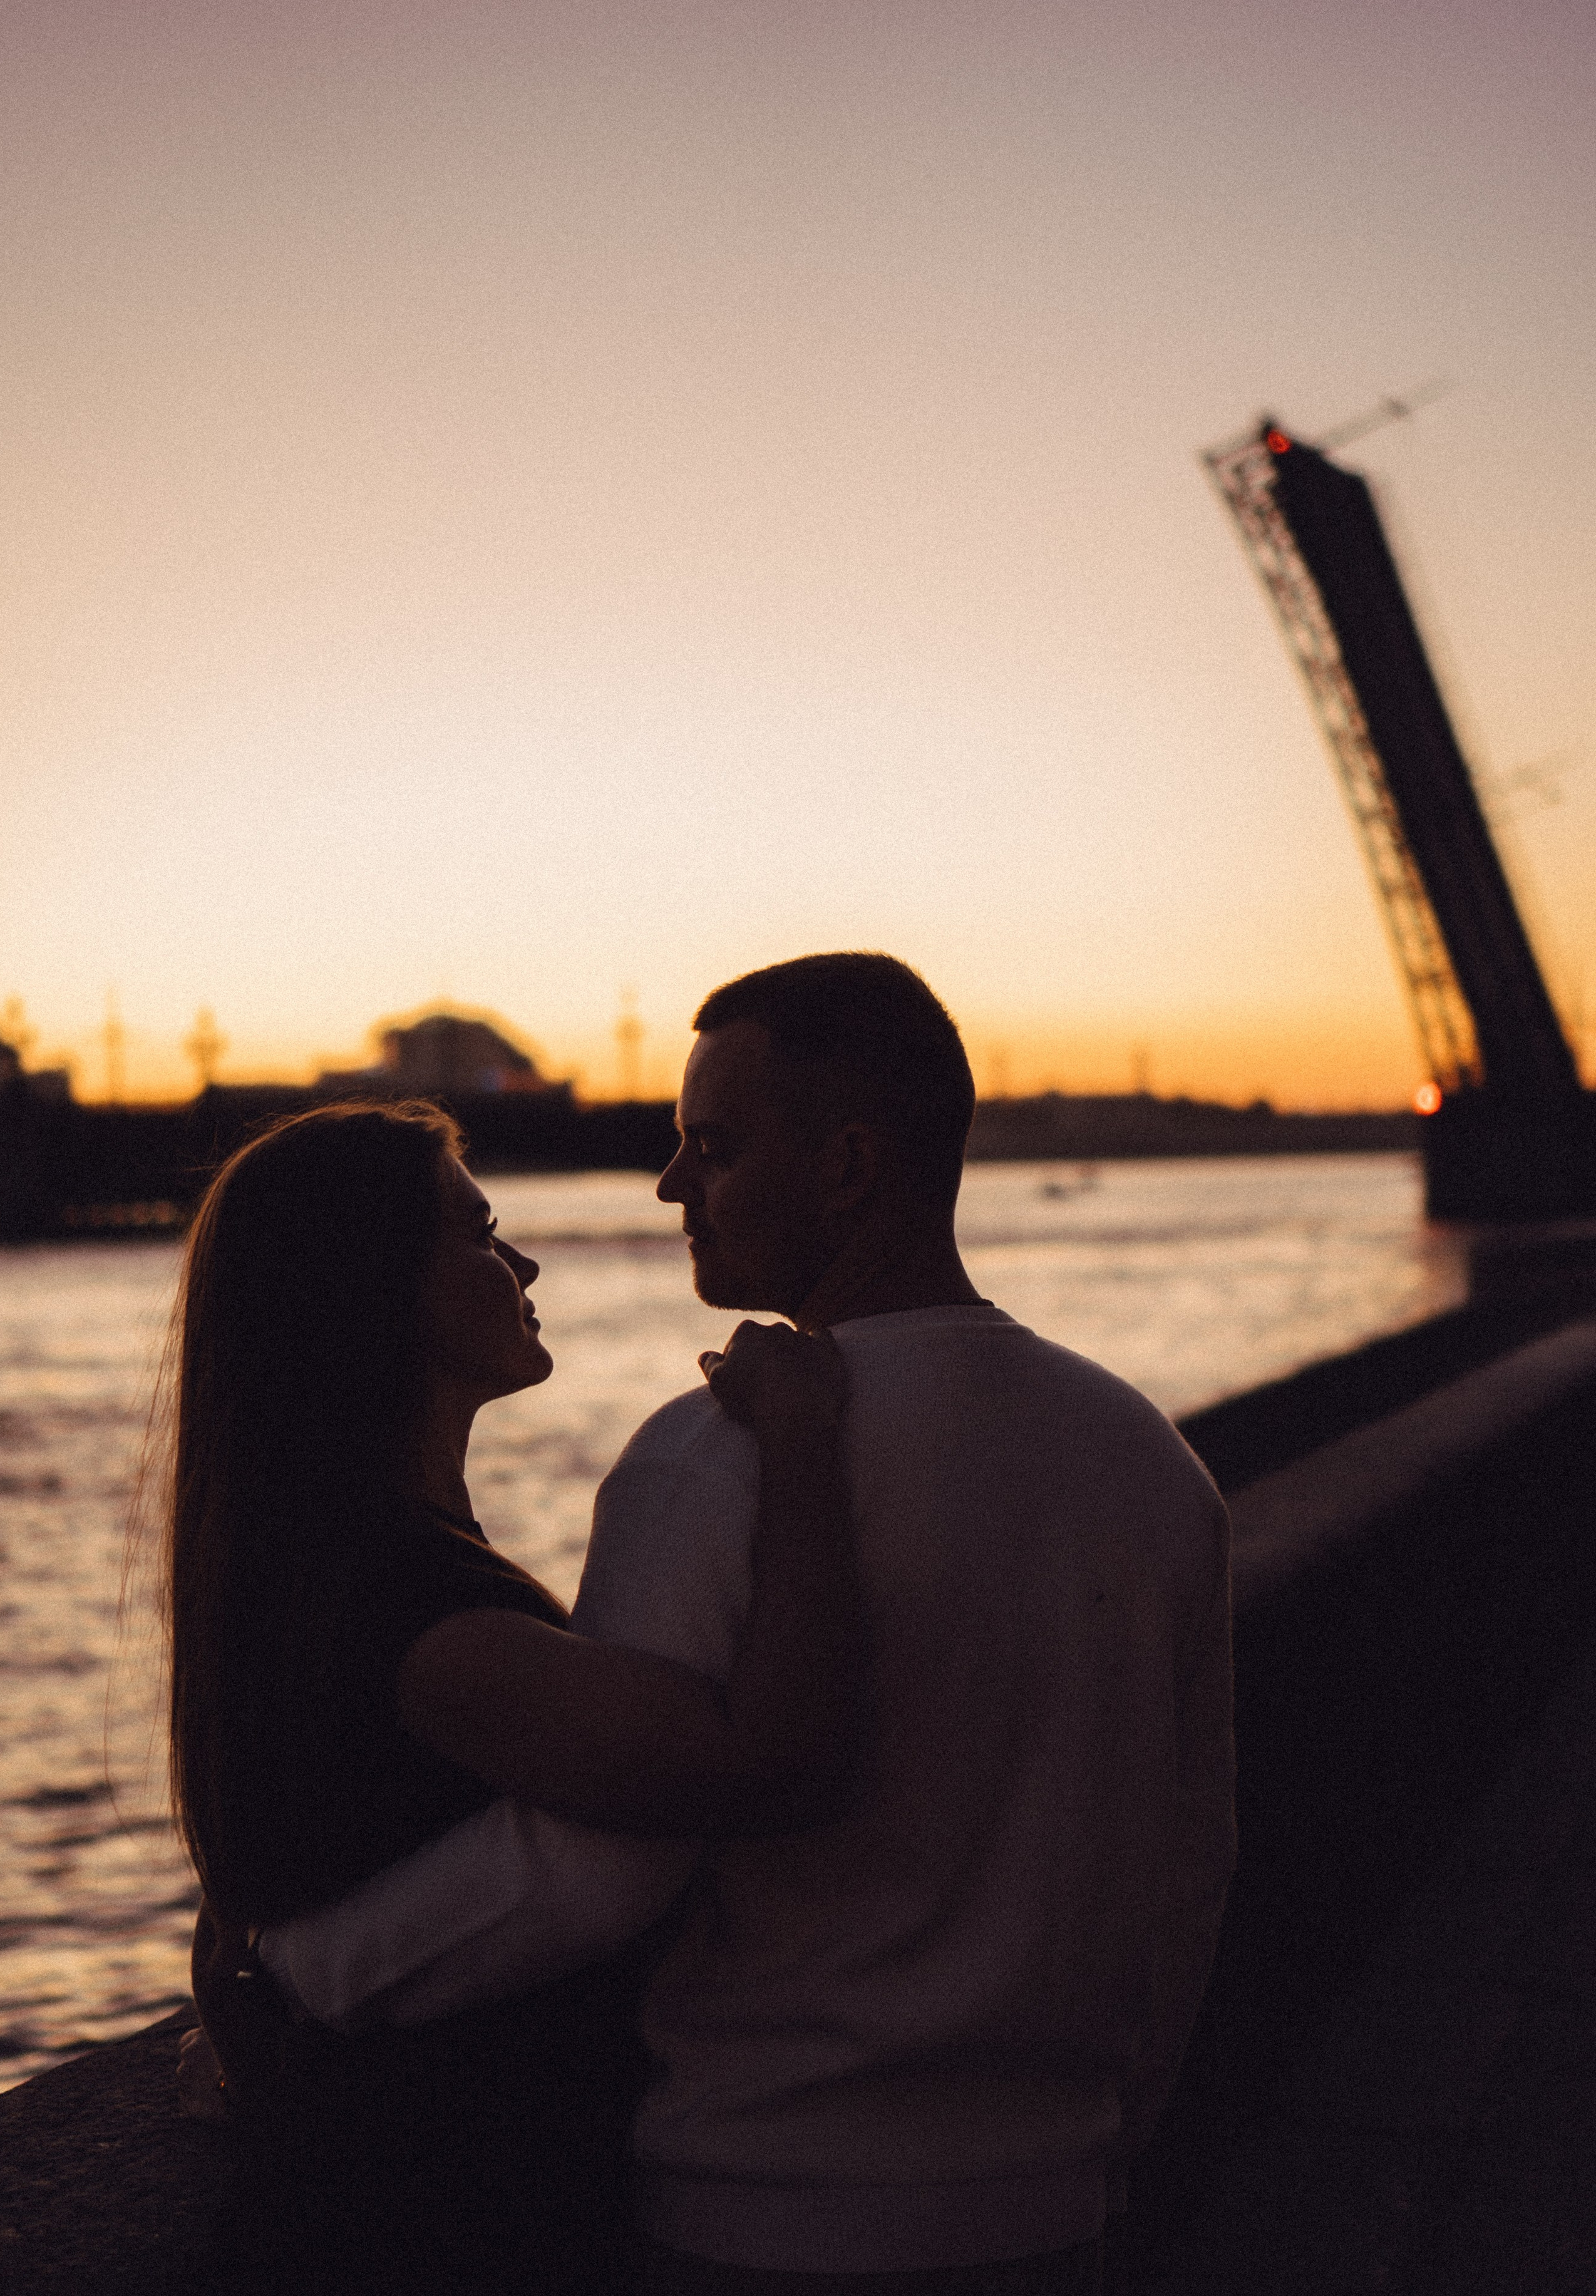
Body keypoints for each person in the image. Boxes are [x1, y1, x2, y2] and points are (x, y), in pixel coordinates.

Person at [256, 955, 1237, 2296]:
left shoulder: (709, 1462)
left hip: (765, 2211)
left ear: (844, 1166)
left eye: (709, 1148)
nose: (670, 1186)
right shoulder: (1145, 1460)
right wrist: (1102, 2152)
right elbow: (1186, 1864)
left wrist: (303, 1969)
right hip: (1054, 2207)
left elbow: (601, 1867)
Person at [162, 1099, 862, 2293]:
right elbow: (775, 1762)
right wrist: (802, 1447)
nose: (522, 1261)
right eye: (479, 1231)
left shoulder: (330, 1563)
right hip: (443, 2236)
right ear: (372, 1288)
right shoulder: (424, 1617)